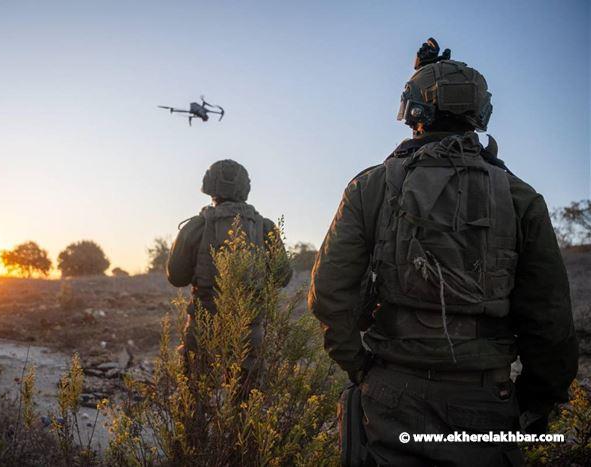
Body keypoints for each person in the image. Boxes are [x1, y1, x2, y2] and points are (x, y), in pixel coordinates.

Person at [309, 38, 578, 466]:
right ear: (480, 113)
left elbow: (328, 292)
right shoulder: (519, 197)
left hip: (390, 395)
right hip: (485, 399)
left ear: (413, 111)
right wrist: (534, 399)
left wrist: (357, 364)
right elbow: (550, 319)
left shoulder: (370, 187)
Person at [166, 159, 292, 386]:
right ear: (245, 188)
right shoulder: (266, 228)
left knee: (194, 398)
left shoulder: (196, 226)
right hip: (249, 330)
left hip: (203, 326)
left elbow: (176, 277)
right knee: (245, 403)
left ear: (209, 187)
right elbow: (283, 276)